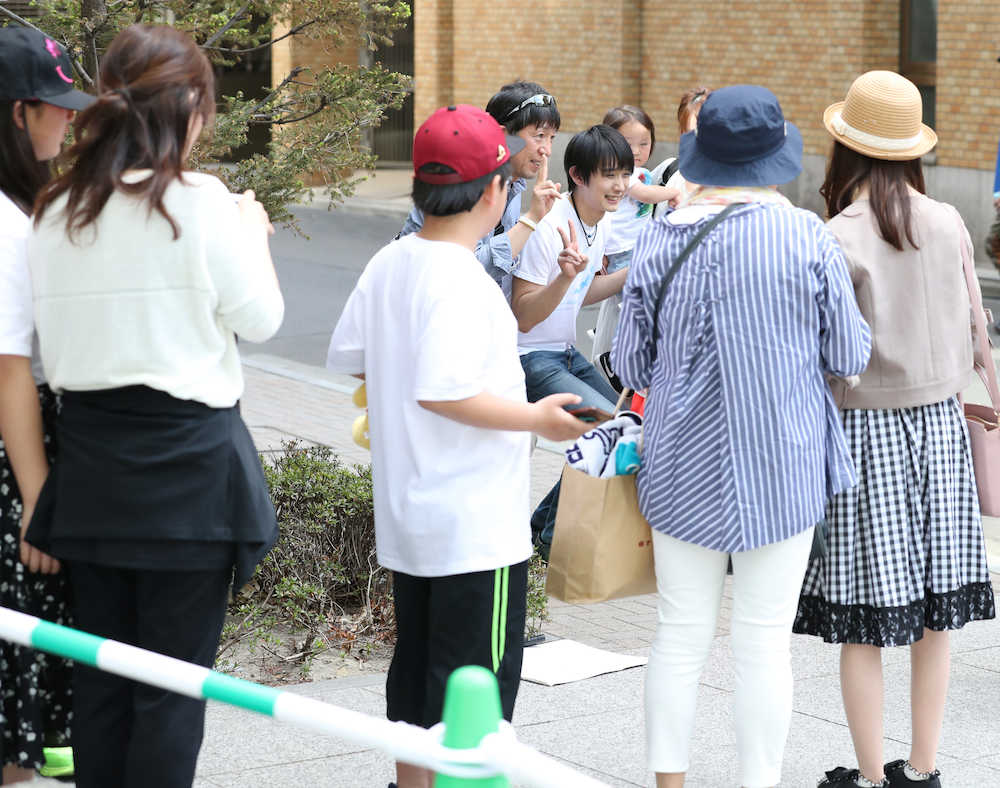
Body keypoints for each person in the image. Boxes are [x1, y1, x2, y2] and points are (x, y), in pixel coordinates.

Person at [25, 24, 284, 787]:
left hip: (95, 471)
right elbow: (262, 320)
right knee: (172, 693)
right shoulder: (202, 203)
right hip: (189, 482)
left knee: (102, 684)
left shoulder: (57, 208)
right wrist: (255, 230)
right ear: (191, 109)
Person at [611, 85, 872, 788]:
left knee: (679, 635)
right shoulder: (806, 236)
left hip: (679, 464)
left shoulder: (662, 238)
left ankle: (670, 783)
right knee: (763, 645)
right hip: (782, 463)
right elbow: (849, 355)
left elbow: (632, 363)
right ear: (773, 160)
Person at [326, 104, 588, 788]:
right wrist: (539, 420)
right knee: (475, 701)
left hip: (410, 518)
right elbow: (442, 392)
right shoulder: (463, 279)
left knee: (416, 679)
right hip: (476, 528)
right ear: (496, 189)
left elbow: (356, 358)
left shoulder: (390, 263)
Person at [795, 71, 997, 788]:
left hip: (865, 433)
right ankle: (924, 768)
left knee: (863, 619)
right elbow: (980, 335)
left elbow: (824, 353)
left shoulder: (834, 235)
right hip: (941, 427)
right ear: (912, 146)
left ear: (845, 145)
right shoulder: (947, 221)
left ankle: (872, 779)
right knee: (937, 612)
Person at [0, 26, 93, 784]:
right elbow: (10, 375)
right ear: (17, 113)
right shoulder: (6, 226)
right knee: (15, 708)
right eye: (55, 106)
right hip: (15, 462)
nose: (68, 121)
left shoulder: (20, 209)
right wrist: (37, 503)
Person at [510, 124, 633, 552]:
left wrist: (631, 274)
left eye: (625, 174)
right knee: (610, 432)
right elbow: (524, 315)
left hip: (563, 352)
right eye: (610, 175)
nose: (620, 186)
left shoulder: (599, 220)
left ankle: (542, 528)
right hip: (530, 358)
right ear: (580, 177)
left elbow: (579, 294)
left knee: (629, 427)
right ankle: (550, 539)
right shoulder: (551, 226)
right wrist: (567, 278)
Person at [397, 81, 562, 295]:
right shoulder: (465, 184)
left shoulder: (513, 184)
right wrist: (530, 220)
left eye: (552, 138)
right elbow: (468, 272)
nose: (546, 150)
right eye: (539, 135)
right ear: (503, 136)